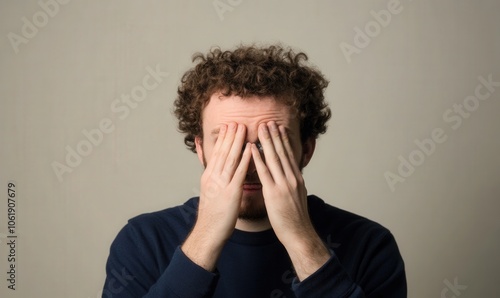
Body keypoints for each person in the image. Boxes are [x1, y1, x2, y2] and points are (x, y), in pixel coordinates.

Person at [102, 44, 407, 297]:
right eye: (228, 144)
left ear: (307, 150)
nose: (248, 164)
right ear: (201, 148)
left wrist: (300, 237)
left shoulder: (369, 244)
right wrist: (207, 234)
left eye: (269, 143)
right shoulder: (142, 241)